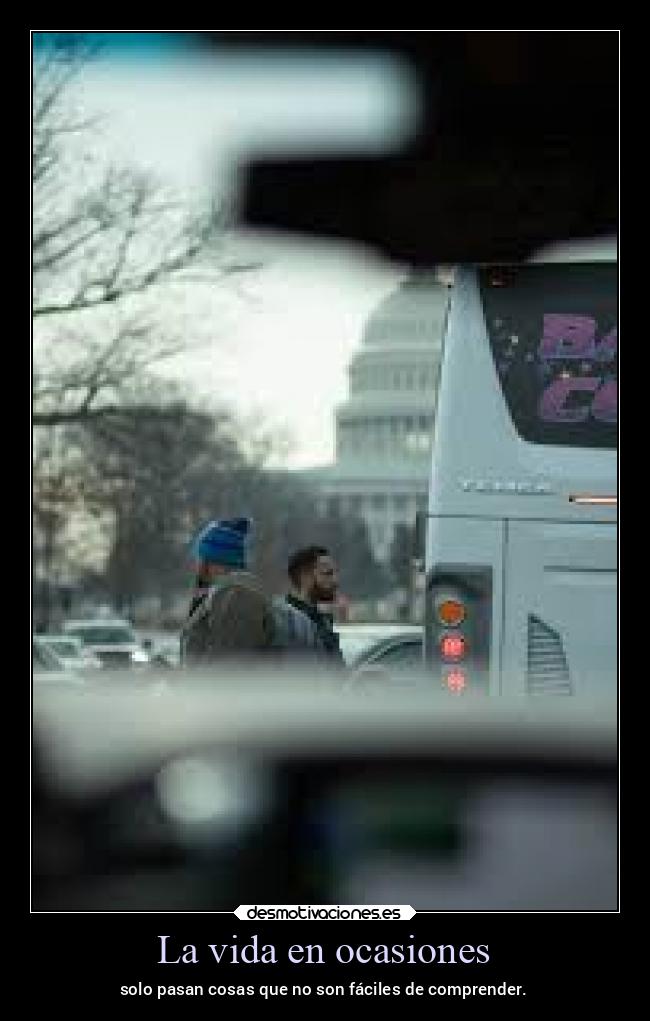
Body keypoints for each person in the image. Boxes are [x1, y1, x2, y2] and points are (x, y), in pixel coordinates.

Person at [181, 518, 324, 665]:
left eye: (199, 557)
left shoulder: (236, 598)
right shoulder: (244, 595)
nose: (196, 565)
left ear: (207, 561)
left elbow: (228, 670)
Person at [285, 546, 346, 667]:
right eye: (328, 574)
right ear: (305, 577)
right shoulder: (286, 622)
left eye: (334, 573)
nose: (335, 581)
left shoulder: (322, 620)